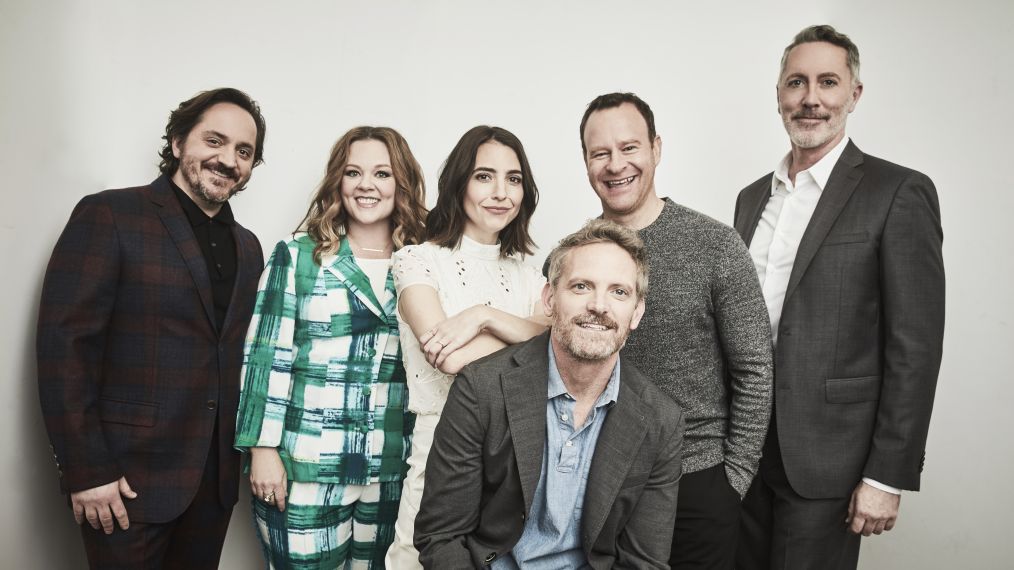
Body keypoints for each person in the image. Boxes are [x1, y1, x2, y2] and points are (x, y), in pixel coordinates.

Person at [734, 25, 945, 570]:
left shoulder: (897, 192)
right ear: (778, 94)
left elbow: (914, 347)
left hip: (830, 461)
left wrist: (886, 473)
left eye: (828, 82)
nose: (810, 98)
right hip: (743, 454)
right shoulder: (751, 198)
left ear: (854, 94)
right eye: (796, 82)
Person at [36, 87, 267, 568]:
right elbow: (65, 347)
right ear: (179, 142)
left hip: (214, 485)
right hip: (123, 482)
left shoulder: (249, 248)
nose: (228, 159)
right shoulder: (111, 214)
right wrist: (86, 468)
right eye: (214, 141)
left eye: (243, 151)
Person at [415, 219, 685, 569]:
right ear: (549, 299)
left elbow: (643, 561)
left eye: (619, 292)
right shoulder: (481, 389)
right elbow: (441, 536)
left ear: (636, 312)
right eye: (581, 286)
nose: (599, 305)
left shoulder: (661, 421)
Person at [578, 92, 773, 569]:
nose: (615, 164)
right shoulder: (575, 255)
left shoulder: (715, 245)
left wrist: (734, 478)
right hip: (598, 480)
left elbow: (755, 366)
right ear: (585, 162)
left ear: (656, 150)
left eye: (629, 148)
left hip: (699, 480)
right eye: (599, 153)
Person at [234, 126, 428, 568]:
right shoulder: (298, 255)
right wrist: (262, 450)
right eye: (353, 172)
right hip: (304, 465)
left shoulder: (422, 262)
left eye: (382, 173)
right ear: (337, 181)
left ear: (401, 183)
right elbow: (267, 354)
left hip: (391, 472)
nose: (366, 185)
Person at [384, 125, 549, 569]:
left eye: (513, 179)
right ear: (458, 183)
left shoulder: (532, 277)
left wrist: (483, 315)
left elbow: (558, 348)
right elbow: (449, 356)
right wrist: (527, 334)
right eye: (484, 176)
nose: (501, 192)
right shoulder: (416, 260)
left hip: (514, 467)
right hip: (439, 456)